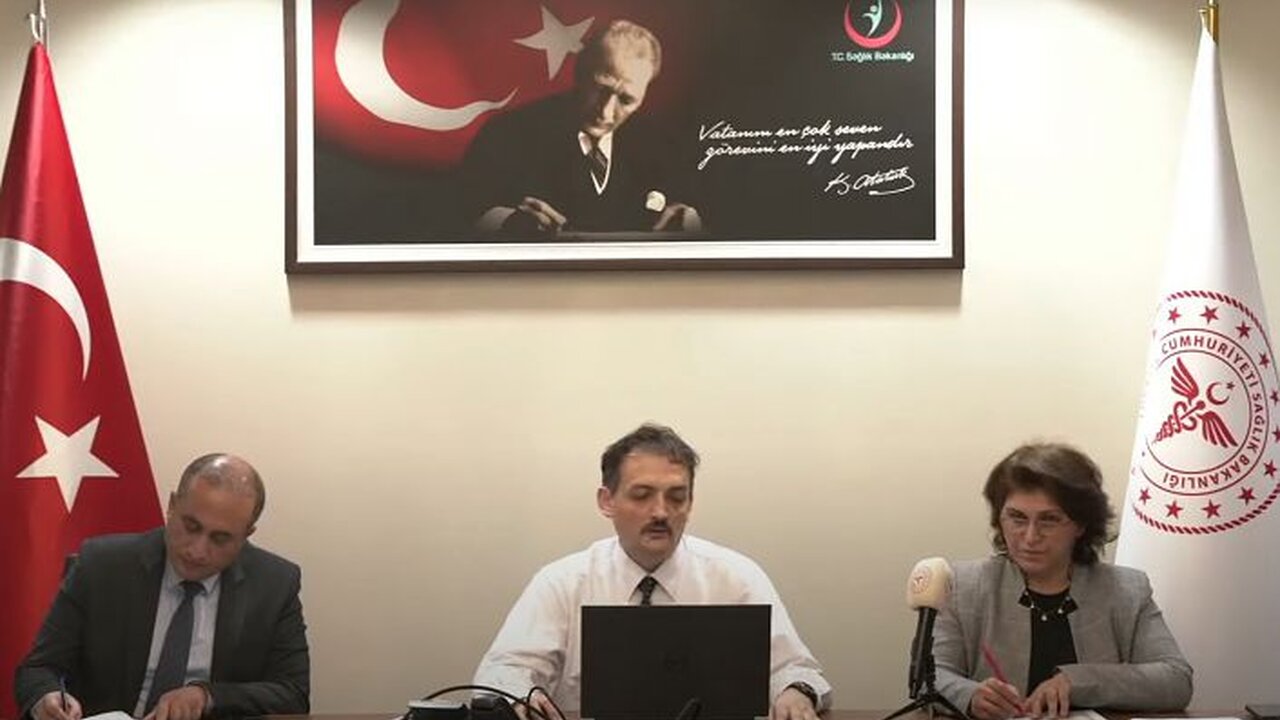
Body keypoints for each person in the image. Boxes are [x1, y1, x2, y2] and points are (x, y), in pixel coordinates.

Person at [473, 423, 830, 720]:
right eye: (642, 495)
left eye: (676, 497)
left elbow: (797, 670)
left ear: (691, 502)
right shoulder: (562, 582)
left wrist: (796, 691)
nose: (660, 512)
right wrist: (518, 696)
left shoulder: (736, 577)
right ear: (607, 501)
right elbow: (502, 672)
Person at [14, 454, 310, 720]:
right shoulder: (102, 566)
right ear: (172, 506)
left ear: (246, 534)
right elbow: (39, 670)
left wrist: (207, 696)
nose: (197, 551)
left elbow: (293, 693)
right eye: (191, 526)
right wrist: (45, 698)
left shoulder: (274, 584)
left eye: (220, 538)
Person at [933, 443, 1192, 719]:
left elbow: (1175, 680)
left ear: (1081, 525)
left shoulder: (1127, 590)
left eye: (1049, 520)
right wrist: (970, 696)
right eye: (1017, 518)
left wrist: (1077, 682)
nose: (1030, 537)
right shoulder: (964, 586)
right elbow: (931, 677)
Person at [462, 19, 702, 237]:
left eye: (626, 100)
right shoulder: (509, 133)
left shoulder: (661, 145)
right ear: (580, 73)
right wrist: (508, 221)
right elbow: (462, 213)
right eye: (600, 88)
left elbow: (695, 207)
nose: (606, 112)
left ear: (644, 94)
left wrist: (693, 224)